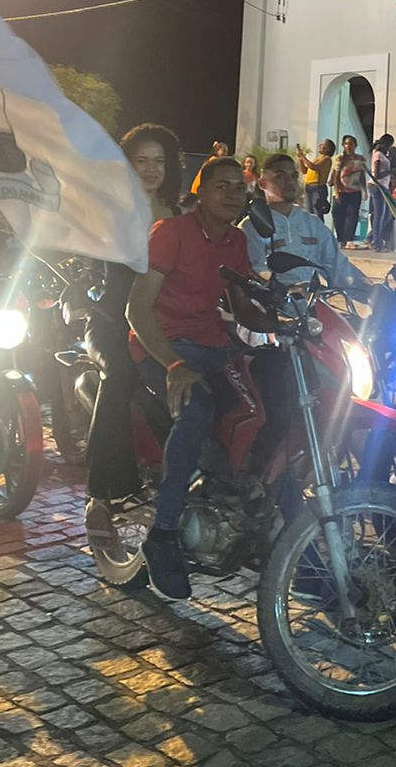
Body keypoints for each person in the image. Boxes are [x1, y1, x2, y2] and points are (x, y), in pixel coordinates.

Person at [117, 156, 276, 599]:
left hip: (214, 343)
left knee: (274, 393)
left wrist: (286, 319)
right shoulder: (171, 233)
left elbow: (244, 308)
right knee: (199, 408)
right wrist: (173, 364)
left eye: (239, 187)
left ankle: (256, 507)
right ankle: (164, 532)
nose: (232, 194)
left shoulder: (237, 241)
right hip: (165, 345)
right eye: (221, 186)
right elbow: (136, 309)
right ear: (200, 193)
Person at [86, 124, 183, 532]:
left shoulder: (178, 214)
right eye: (141, 161)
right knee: (120, 377)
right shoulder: (112, 210)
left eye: (158, 161)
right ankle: (101, 494)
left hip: (166, 322)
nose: (150, 169)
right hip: (113, 321)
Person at [241, 153, 370, 297]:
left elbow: (338, 266)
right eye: (280, 176)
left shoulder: (312, 224)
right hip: (269, 312)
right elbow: (257, 271)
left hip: (312, 310)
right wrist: (285, 289)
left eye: (294, 176)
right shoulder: (251, 227)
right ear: (262, 183)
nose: (290, 181)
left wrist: (372, 291)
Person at [330, 134, 366, 248]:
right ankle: (341, 238)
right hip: (342, 191)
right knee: (338, 214)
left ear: (355, 145)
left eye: (351, 144)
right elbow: (336, 175)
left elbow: (362, 176)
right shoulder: (340, 158)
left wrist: (364, 190)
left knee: (352, 215)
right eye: (346, 144)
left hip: (355, 191)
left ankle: (349, 239)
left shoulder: (360, 159)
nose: (348, 146)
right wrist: (336, 191)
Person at [368, 135, 396, 251]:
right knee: (379, 215)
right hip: (378, 186)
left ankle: (371, 237)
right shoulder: (378, 156)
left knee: (386, 216)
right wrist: (391, 171)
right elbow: (376, 175)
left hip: (383, 186)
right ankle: (377, 243)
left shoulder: (383, 156)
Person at [296, 140, 334, 218]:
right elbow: (304, 171)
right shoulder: (317, 159)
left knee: (317, 213)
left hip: (317, 188)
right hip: (309, 187)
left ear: (327, 149)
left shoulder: (326, 159)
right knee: (309, 213)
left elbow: (313, 167)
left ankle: (317, 229)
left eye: (323, 145)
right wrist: (301, 160)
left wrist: (303, 157)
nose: (320, 146)